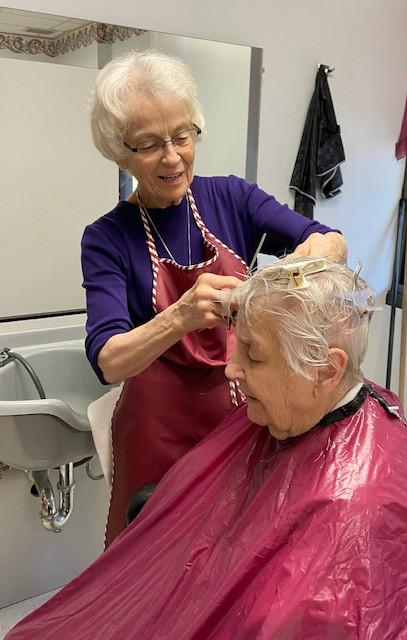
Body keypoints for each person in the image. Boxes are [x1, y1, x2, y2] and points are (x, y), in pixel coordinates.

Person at [8, 257, 407, 639]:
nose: (231, 370)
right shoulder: (288, 414)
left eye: (253, 354)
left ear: (325, 370)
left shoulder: (348, 505)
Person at [82, 50, 348, 544]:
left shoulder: (232, 198)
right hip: (155, 428)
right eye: (148, 144)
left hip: (239, 413)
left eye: (183, 136)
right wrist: (181, 316)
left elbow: (329, 239)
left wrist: (295, 269)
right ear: (119, 152)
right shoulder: (106, 237)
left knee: (229, 554)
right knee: (152, 560)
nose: (172, 157)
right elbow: (108, 360)